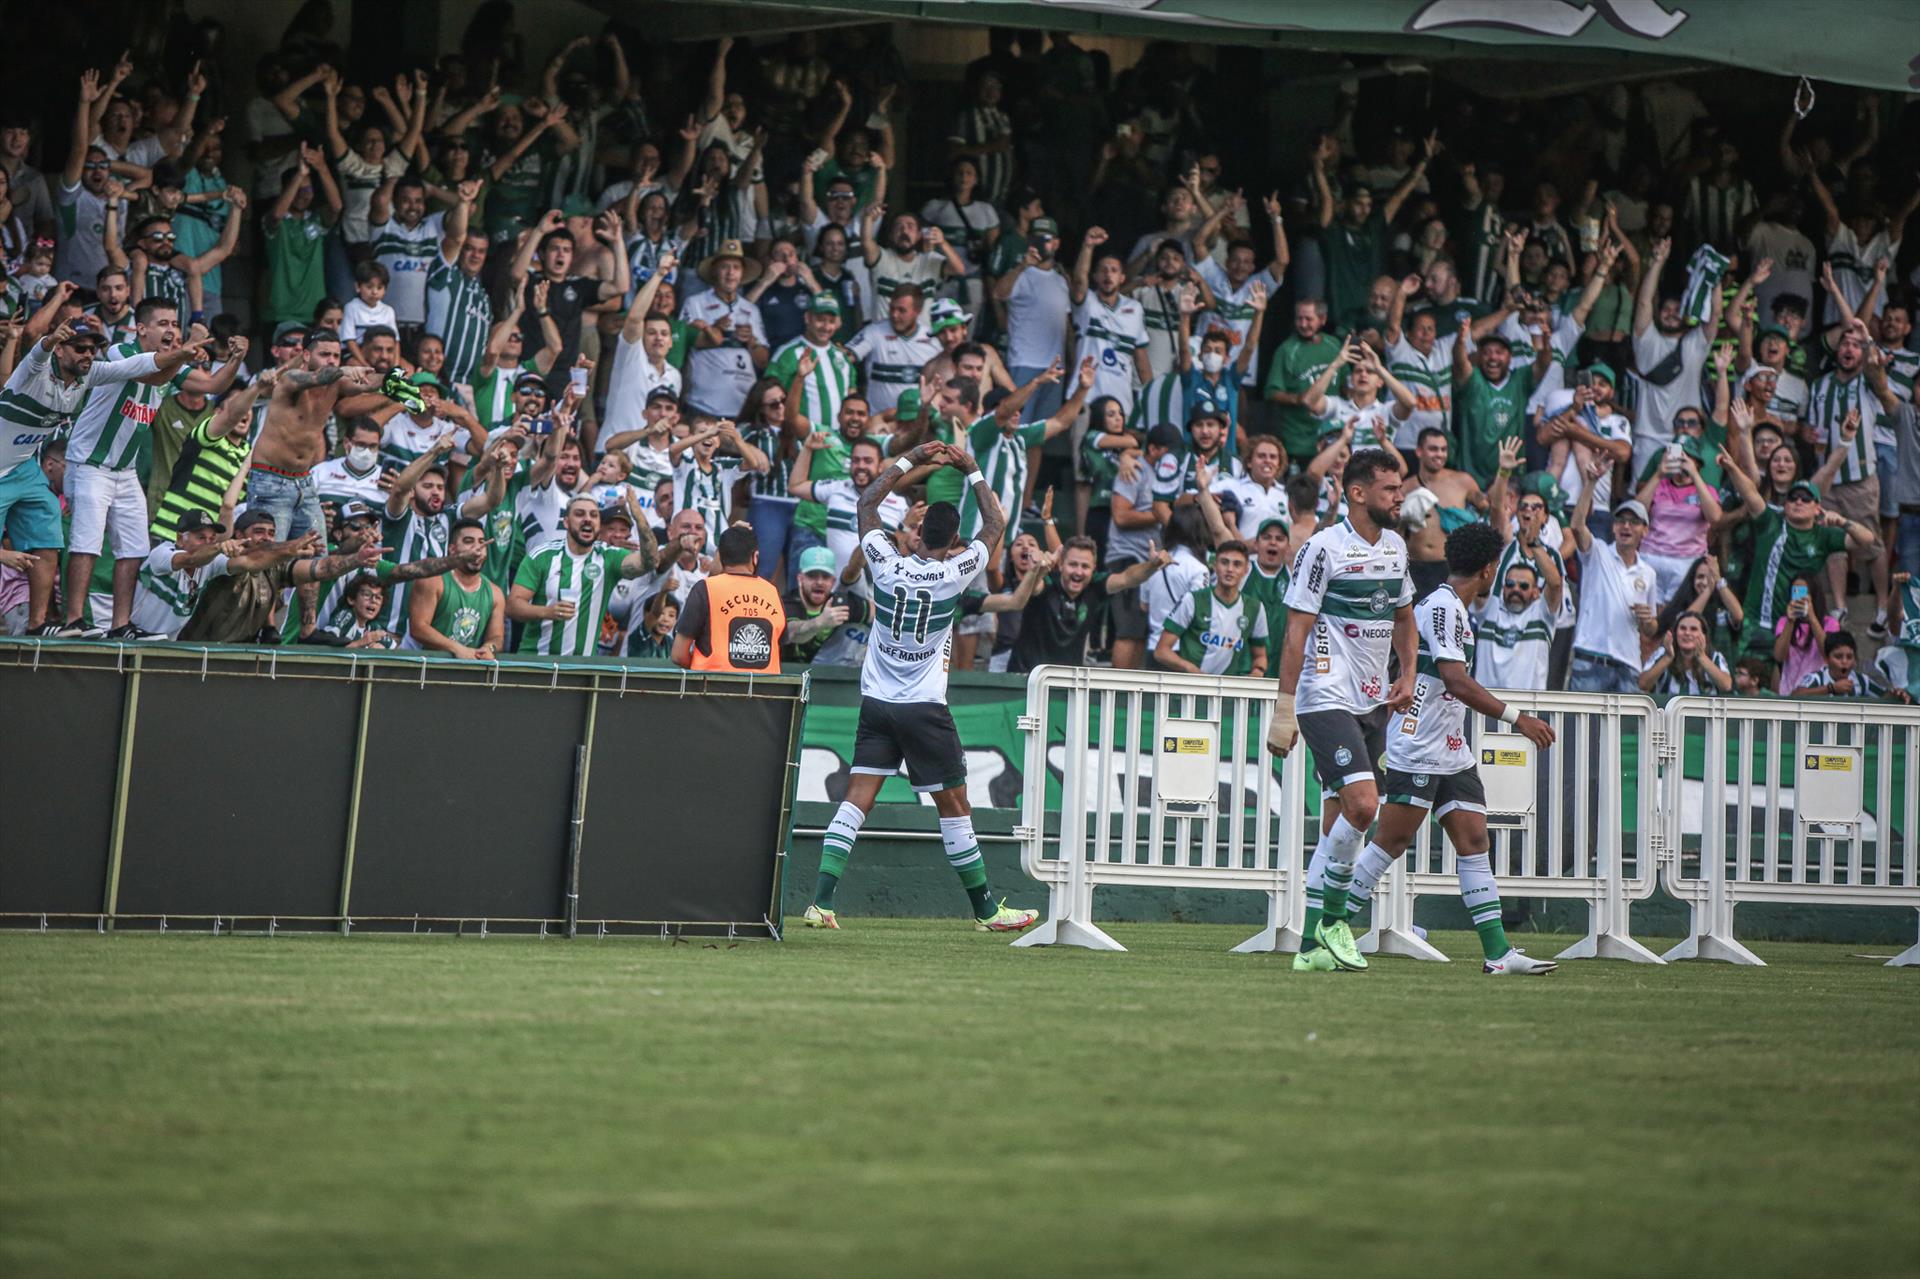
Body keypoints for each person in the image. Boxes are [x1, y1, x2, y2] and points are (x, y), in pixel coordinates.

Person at [802, 439, 1038, 934]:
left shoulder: (885, 562)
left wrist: (912, 458)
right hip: (924, 707)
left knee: (856, 800)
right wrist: (971, 468)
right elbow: (995, 524)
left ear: (916, 534)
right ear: (953, 541)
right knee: (954, 806)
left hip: (877, 703)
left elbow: (867, 503)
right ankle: (986, 911)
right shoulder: (955, 572)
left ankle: (821, 902)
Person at [1349, 521, 1560, 974]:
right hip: (1418, 743)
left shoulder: (1456, 609)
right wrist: (1518, 719)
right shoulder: (1443, 607)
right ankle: (1326, 930)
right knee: (1390, 841)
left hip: (1450, 747)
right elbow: (1455, 680)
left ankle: (1498, 955)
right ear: (1488, 570)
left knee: (1474, 840)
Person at [1267, 447, 1415, 973]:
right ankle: (1334, 922)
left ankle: (1311, 948)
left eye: (1399, 489)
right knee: (1364, 806)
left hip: (1374, 701)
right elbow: (1296, 632)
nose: (1399, 497)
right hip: (1324, 695)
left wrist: (1408, 673)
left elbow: (1404, 617)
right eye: (1389, 489)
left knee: (1339, 825)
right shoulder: (1323, 548)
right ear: (1357, 493)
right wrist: (1285, 709)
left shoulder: (1396, 547)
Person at [176, 510, 384, 644]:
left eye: (271, 533)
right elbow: (254, 557)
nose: (266, 538)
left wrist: (357, 559)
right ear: (238, 535)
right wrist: (292, 547)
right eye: (259, 531)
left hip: (240, 655)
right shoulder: (224, 559)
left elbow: (321, 569)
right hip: (194, 651)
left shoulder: (276, 568)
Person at [510, 493, 656, 656]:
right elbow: (513, 606)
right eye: (580, 514)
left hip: (582, 665)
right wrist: (547, 612)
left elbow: (649, 562)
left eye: (594, 515)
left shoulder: (609, 557)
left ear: (599, 525)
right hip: (537, 660)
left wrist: (639, 518)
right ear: (566, 522)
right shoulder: (542, 556)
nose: (587, 519)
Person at [1567, 460, 1658, 693]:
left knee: (1626, 721)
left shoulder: (1648, 573)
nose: (1626, 526)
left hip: (1629, 665)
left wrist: (1647, 620)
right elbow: (1576, 526)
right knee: (1583, 719)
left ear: (1645, 530)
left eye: (1634, 522)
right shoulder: (1597, 552)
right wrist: (1591, 483)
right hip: (1590, 659)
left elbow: (1651, 629)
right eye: (1620, 520)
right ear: (1613, 527)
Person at [670, 523, 787, 672]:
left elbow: (678, 655)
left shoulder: (705, 589)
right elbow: (780, 643)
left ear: (721, 558)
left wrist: (704, 668)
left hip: (712, 685)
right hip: (764, 686)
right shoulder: (772, 592)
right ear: (755, 557)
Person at [1154, 539, 1268, 676]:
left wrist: (1258, 671)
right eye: (1224, 562)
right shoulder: (1193, 600)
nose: (1230, 569)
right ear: (1214, 565)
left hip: (1228, 688)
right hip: (1192, 685)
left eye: (1237, 564)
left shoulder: (1255, 608)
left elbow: (1260, 656)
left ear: (1246, 570)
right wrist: (1190, 669)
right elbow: (1161, 651)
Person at [406, 517, 504, 660]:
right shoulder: (433, 581)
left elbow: (497, 637)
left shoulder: (495, 593)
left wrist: (489, 648)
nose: (477, 548)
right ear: (452, 549)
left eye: (482, 543)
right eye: (468, 542)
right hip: (420, 664)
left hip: (464, 668)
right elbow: (418, 628)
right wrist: (457, 649)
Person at [1263, 298, 1345, 467]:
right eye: (1299, 319)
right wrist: (1298, 399)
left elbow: (1346, 385)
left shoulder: (1334, 345)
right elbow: (1271, 392)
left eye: (1308, 319)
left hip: (1331, 438)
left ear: (1322, 319)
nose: (1303, 324)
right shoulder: (1286, 350)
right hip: (1298, 441)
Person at [780, 544, 871, 666]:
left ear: (833, 581)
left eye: (825, 576)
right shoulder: (786, 603)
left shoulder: (838, 603)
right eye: (812, 576)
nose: (819, 582)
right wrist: (820, 622)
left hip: (828, 674)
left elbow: (877, 612)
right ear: (800, 579)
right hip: (788, 674)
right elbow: (792, 633)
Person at [1795, 630, 1890, 700]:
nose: (1844, 661)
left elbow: (1885, 696)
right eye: (1838, 657)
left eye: (1849, 657)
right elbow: (1795, 696)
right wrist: (1831, 688)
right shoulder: (1817, 678)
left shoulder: (1862, 680)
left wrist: (1896, 694)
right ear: (1827, 659)